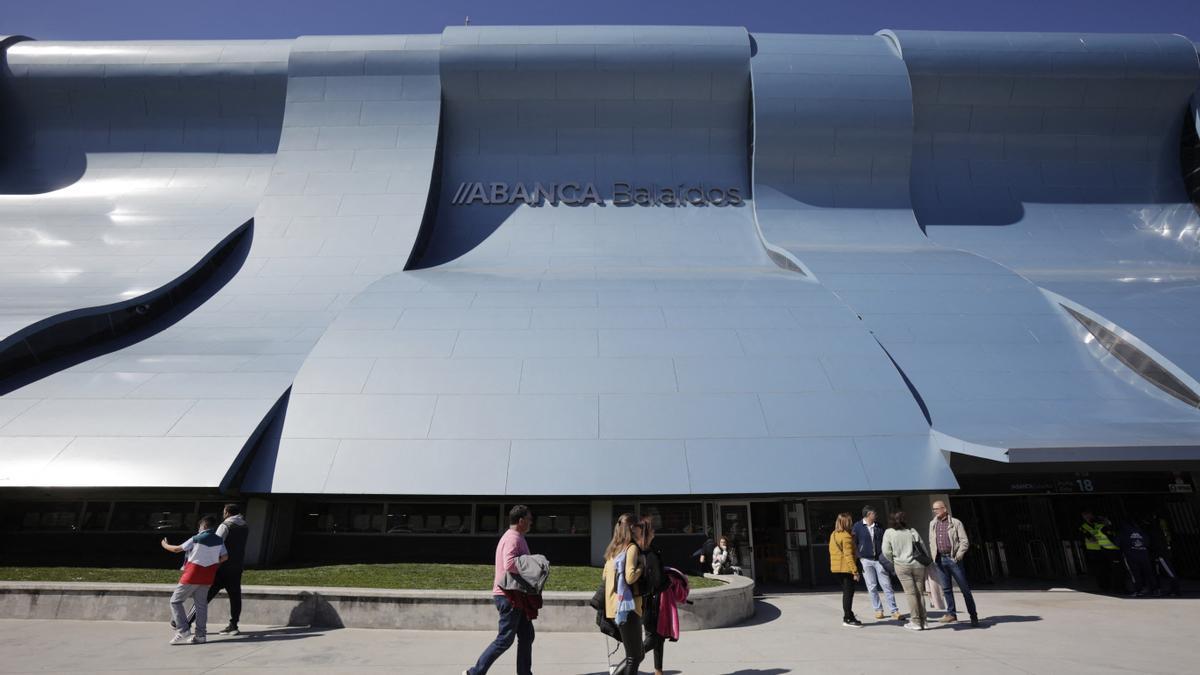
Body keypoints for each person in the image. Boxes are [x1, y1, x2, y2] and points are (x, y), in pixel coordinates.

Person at [465, 505, 537, 675]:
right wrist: (533, 566)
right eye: (529, 519)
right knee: (505, 639)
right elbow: (510, 564)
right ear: (521, 521)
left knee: (527, 636)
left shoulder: (516, 537)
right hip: (508, 596)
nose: (531, 522)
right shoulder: (513, 538)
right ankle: (474, 672)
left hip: (516, 595)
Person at [160, 514, 227, 645]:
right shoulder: (219, 540)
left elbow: (176, 549)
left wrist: (164, 545)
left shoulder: (197, 538)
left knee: (175, 601)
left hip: (192, 574)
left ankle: (183, 629)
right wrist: (213, 562)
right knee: (201, 606)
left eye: (199, 526)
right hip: (208, 575)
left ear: (204, 526)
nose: (198, 529)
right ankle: (201, 635)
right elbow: (225, 557)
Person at [183, 504, 248, 635]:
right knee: (235, 596)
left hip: (222, 567)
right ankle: (233, 625)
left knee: (205, 596)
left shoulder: (225, 526)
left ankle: (186, 623)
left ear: (228, 513)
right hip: (236, 567)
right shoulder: (245, 526)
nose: (223, 514)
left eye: (224, 511)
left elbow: (214, 543)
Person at [604, 513, 645, 675]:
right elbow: (630, 576)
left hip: (614, 607)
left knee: (637, 654)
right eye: (640, 526)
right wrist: (642, 566)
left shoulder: (613, 549)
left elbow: (605, 576)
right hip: (628, 608)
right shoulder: (632, 548)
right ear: (632, 528)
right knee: (634, 657)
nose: (641, 529)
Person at [928, 501, 979, 627]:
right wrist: (934, 555)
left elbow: (964, 541)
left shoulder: (955, 523)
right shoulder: (933, 524)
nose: (935, 511)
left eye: (937, 509)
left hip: (953, 559)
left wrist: (958, 556)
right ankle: (951, 614)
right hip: (940, 560)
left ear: (944, 509)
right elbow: (931, 541)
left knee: (964, 589)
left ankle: (973, 615)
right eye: (934, 509)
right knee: (946, 589)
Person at [851, 505, 900, 621]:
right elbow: (853, 542)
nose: (876, 515)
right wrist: (859, 555)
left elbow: (884, 541)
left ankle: (894, 610)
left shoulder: (878, 526)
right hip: (866, 560)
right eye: (874, 513)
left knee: (886, 585)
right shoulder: (857, 526)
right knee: (872, 586)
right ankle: (878, 610)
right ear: (868, 515)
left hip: (879, 559)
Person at [882, 511, 929, 631]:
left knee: (911, 594)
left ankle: (915, 621)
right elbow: (922, 547)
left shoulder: (889, 533)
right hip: (918, 565)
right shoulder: (911, 531)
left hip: (902, 565)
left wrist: (894, 560)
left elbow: (886, 551)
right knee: (920, 593)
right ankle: (924, 620)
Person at [639, 515, 668, 675]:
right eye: (652, 528)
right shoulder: (649, 553)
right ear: (646, 532)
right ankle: (626, 665)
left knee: (658, 636)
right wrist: (669, 581)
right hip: (651, 601)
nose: (655, 530)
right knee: (654, 637)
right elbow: (657, 581)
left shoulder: (646, 550)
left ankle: (658, 670)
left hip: (649, 600)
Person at [829, 512, 862, 628]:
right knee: (848, 594)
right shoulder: (846, 537)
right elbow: (848, 555)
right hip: (846, 569)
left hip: (836, 568)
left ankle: (850, 615)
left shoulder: (834, 534)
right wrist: (855, 571)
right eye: (850, 521)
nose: (852, 523)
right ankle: (847, 618)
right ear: (847, 523)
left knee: (846, 593)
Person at [1080, 510, 1121, 592]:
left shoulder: (1098, 524)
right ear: (1083, 517)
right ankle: (1103, 586)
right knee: (1099, 570)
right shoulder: (1083, 527)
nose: (1087, 517)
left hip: (1104, 549)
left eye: (1089, 514)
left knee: (1108, 568)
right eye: (1085, 515)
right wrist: (1100, 536)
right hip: (1093, 551)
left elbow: (1107, 532)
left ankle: (1111, 585)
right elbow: (1091, 539)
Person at [1147, 513, 1182, 597]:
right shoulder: (1163, 528)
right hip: (1164, 552)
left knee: (1170, 572)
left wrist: (1157, 554)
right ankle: (1167, 589)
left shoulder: (1155, 530)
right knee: (1165, 572)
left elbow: (1157, 543)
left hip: (1161, 554)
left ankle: (1176, 590)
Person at [1119, 518, 1155, 597]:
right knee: (1148, 572)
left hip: (1131, 556)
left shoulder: (1123, 533)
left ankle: (1138, 590)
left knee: (1135, 574)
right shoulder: (1142, 532)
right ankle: (1153, 589)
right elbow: (1148, 543)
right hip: (1144, 555)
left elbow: (1117, 543)